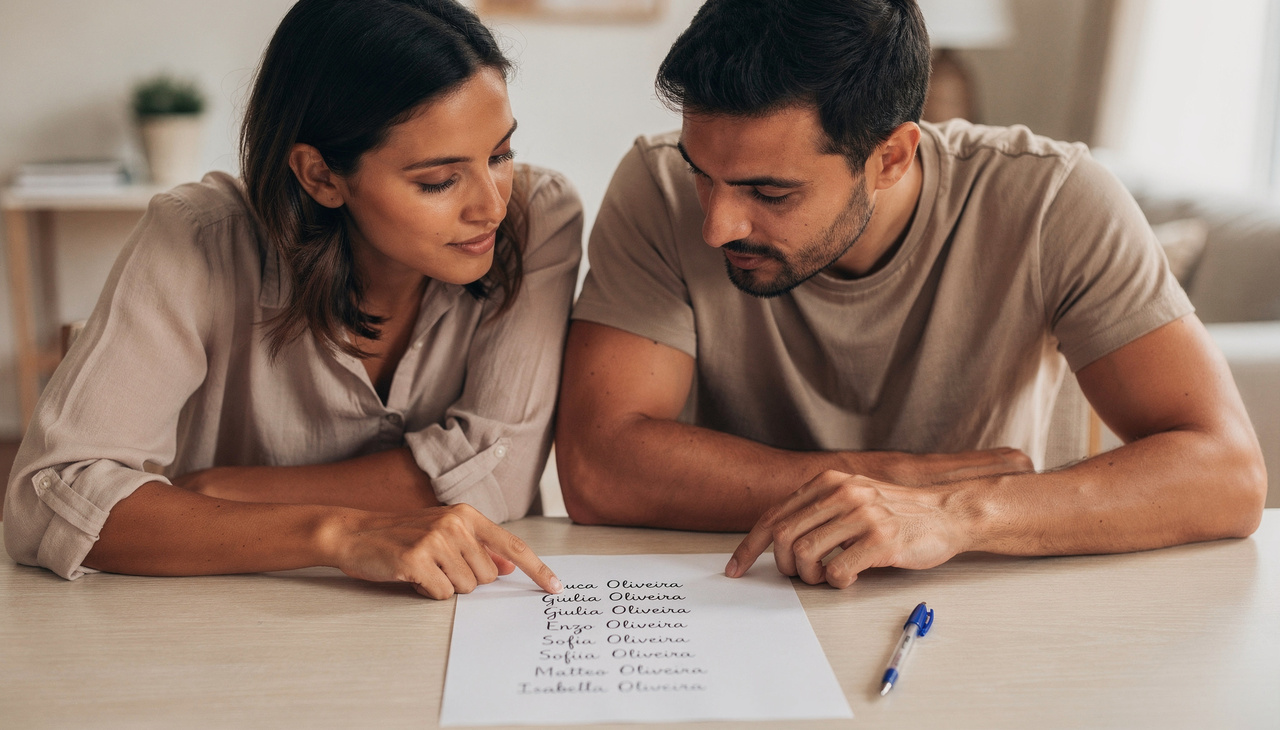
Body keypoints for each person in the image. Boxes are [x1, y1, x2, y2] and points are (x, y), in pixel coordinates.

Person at [556, 0, 1266, 589]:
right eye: (701, 173)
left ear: (891, 156)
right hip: (744, 593)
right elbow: (597, 468)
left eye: (769, 193)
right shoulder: (655, 186)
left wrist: (956, 513)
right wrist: (886, 478)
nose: (716, 225)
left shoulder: (1053, 201)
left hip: (975, 597)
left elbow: (1227, 472)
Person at [4, 0, 579, 599]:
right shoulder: (198, 239)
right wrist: (337, 533)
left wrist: (219, 493)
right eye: (438, 181)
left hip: (473, 611)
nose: (492, 205)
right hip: (225, 620)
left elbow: (502, 474)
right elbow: (46, 502)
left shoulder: (537, 218)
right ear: (320, 176)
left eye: (500, 155)